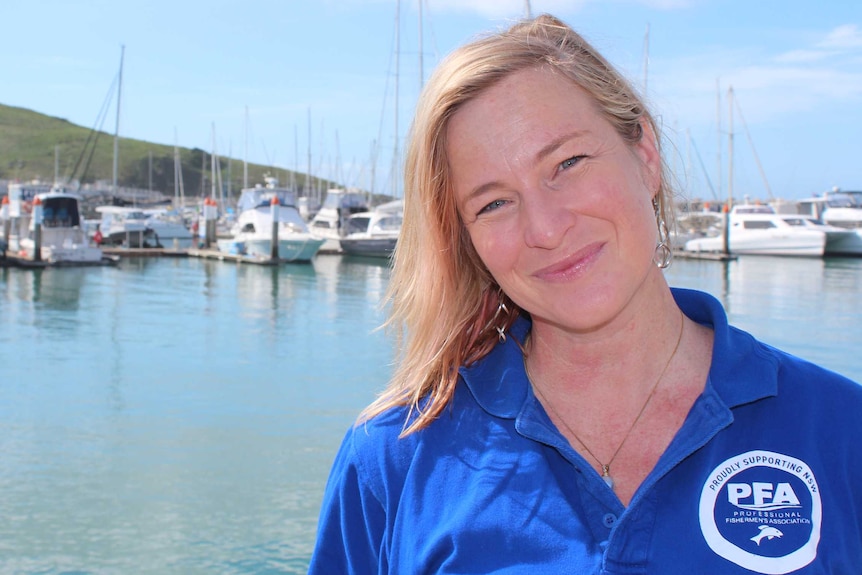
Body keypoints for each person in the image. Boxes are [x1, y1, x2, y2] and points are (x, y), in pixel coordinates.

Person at [309, 14, 862, 574]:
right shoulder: (393, 460)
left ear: (645, 156)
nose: (546, 228)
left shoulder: (841, 430)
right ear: (468, 240)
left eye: (567, 163)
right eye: (493, 203)